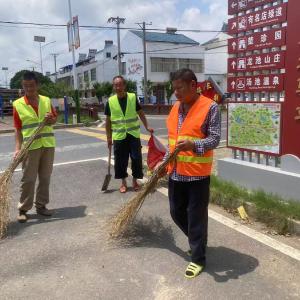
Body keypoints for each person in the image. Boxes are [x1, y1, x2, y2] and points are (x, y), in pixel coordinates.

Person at [157, 68, 221, 278]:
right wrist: (163, 164)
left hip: (197, 176)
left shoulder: (210, 107)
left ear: (193, 85)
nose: (175, 92)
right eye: (174, 88)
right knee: (176, 212)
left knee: (196, 218)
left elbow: (215, 139)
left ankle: (198, 257)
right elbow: (172, 142)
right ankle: (198, 240)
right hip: (176, 173)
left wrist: (194, 145)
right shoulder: (176, 108)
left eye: (179, 88)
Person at [13, 71, 57, 223]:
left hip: (48, 145)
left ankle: (41, 206)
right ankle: (23, 209)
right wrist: (18, 149)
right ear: (22, 86)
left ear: (37, 85)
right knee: (28, 179)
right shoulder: (18, 104)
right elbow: (18, 129)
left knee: (45, 177)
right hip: (30, 147)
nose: (29, 89)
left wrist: (51, 119)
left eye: (31, 85)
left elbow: (54, 119)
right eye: (26, 86)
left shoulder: (46, 100)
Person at [105, 75, 153, 193]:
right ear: (113, 87)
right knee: (120, 160)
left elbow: (140, 113)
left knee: (136, 159)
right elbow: (108, 121)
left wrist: (147, 126)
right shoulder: (110, 101)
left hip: (133, 134)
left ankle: (135, 181)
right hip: (119, 136)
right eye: (116, 85)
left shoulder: (132, 97)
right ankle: (123, 182)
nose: (118, 87)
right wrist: (109, 138)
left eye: (120, 84)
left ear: (124, 85)